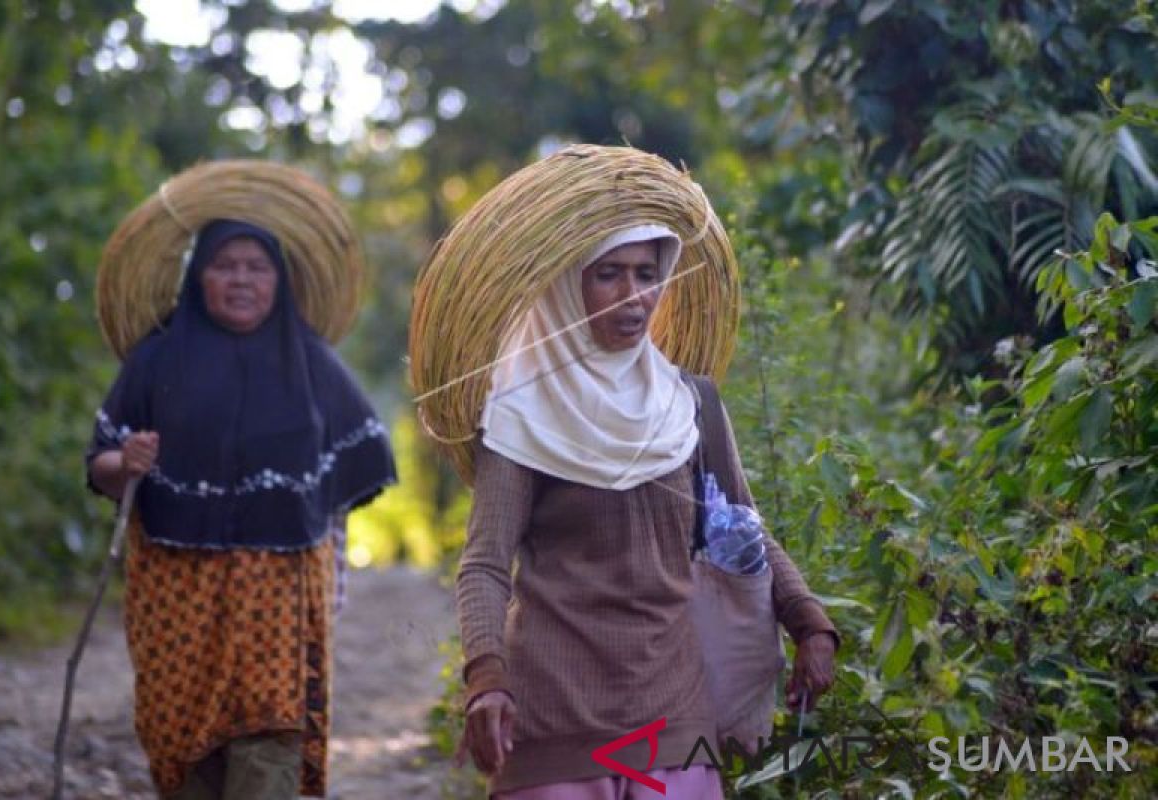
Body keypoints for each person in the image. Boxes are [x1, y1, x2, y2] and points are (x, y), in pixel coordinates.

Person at [455, 224, 838, 798]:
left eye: (646, 274)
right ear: (566, 289)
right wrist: (487, 677)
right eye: (608, 275)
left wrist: (810, 623)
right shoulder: (522, 413)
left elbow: (742, 529)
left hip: (673, 701)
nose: (632, 295)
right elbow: (484, 563)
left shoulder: (689, 404)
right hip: (554, 712)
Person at [85, 219, 397, 799]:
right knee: (181, 741)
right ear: (197, 277)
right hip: (175, 591)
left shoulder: (312, 363)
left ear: (281, 280)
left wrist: (312, 526)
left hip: (276, 590)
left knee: (269, 731)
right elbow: (98, 463)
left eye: (258, 267)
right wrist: (125, 461)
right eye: (225, 266)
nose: (241, 280)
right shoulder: (155, 360)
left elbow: (362, 462)